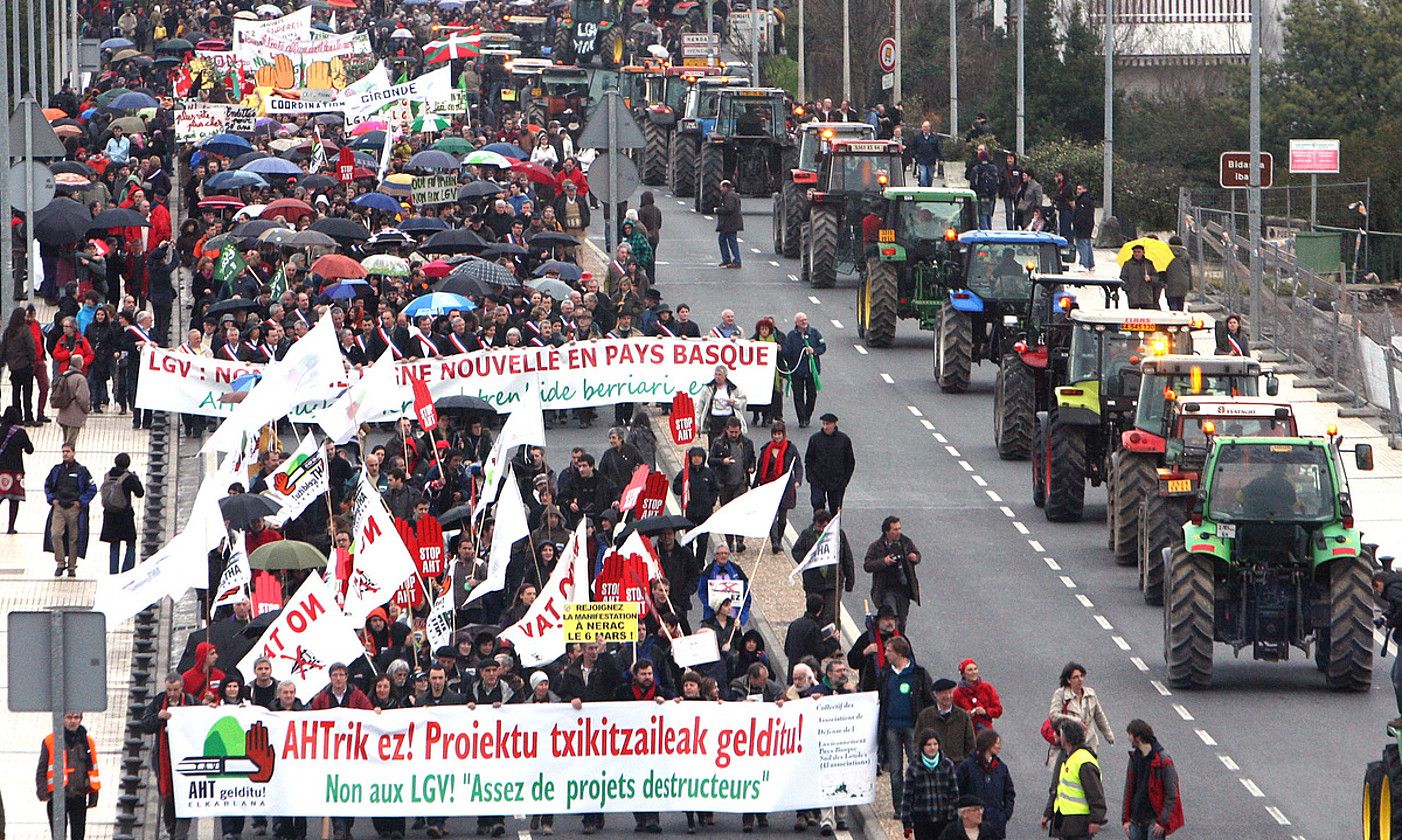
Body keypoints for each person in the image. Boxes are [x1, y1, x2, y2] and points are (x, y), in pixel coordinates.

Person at [878, 636, 933, 814]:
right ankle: (899, 807)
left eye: (889, 650)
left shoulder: (918, 674)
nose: (885, 654)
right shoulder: (886, 674)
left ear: (899, 653)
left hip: (913, 727)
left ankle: (917, 803)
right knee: (895, 770)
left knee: (916, 766)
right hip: (891, 727)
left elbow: (928, 700)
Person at [142, 671, 197, 840]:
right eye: (169, 690)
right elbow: (145, 724)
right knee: (168, 797)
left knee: (184, 795)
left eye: (175, 690)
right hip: (164, 758)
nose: (172, 694)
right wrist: (158, 718)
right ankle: (172, 828)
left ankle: (181, 833)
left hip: (186, 758)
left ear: (181, 688)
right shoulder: (159, 701)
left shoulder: (191, 701)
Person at [36, 711, 100, 840]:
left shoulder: (88, 742)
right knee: (58, 836)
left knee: (78, 835)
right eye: (69, 717)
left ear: (81, 719)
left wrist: (94, 794)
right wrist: (43, 791)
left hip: (78, 795)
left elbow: (92, 768)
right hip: (57, 797)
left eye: (76, 717)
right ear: (63, 719)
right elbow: (42, 769)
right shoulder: (50, 740)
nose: (73, 721)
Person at [1041, 720, 1108, 840]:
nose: (1057, 737)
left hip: (1079, 824)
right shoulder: (1067, 756)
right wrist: (1049, 812)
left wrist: (1095, 820)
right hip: (1067, 822)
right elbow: (1057, 787)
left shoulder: (1083, 761)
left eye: (1060, 734)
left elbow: (1096, 794)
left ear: (1067, 738)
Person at [790, 508, 855, 627]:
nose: (821, 530)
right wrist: (808, 562)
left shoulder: (838, 535)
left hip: (833, 582)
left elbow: (847, 558)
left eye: (824, 527)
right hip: (813, 582)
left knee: (832, 613)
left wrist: (850, 581)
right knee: (815, 613)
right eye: (819, 527)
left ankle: (832, 641)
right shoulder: (807, 534)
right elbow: (796, 551)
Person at [1121, 719, 1184, 839]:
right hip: (1136, 819)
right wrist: (1125, 819)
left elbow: (1172, 793)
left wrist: (1162, 821)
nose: (1128, 738)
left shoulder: (1163, 760)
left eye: (1129, 734)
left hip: (1154, 821)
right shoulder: (1134, 758)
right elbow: (1128, 789)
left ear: (1138, 737)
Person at [44, 442, 96, 578]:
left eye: (67, 451)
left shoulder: (81, 471)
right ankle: (60, 562)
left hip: (74, 508)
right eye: (63, 452)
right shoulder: (56, 470)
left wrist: (81, 502)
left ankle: (72, 566)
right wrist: (51, 499)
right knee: (55, 534)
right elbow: (48, 485)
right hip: (59, 507)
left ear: (74, 452)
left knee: (74, 538)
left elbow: (92, 488)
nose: (65, 454)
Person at [1047, 662, 1115, 764]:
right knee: (1069, 774)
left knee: (1088, 773)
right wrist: (1075, 721)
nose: (1080, 679)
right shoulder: (1060, 694)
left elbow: (1099, 715)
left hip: (1088, 743)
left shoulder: (1090, 694)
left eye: (1081, 676)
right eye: (1075, 677)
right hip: (1069, 744)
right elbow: (1053, 715)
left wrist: (1108, 735)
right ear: (1068, 680)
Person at [864, 516, 922, 630]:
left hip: (903, 589)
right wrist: (883, 562)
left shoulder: (906, 542)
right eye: (895, 530)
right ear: (887, 531)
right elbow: (867, 565)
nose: (898, 532)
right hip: (886, 589)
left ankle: (899, 642)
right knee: (891, 617)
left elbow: (917, 555)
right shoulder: (877, 546)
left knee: (902, 621)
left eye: (899, 528)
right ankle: (889, 642)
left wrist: (915, 558)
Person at [955, 730, 1015, 839]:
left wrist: (1005, 815)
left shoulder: (1001, 767)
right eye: (996, 743)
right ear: (988, 744)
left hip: (996, 827)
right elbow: (957, 793)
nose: (999, 746)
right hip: (972, 827)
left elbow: (1009, 793)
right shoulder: (967, 766)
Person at [900, 729, 959, 839]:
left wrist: (952, 816)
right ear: (922, 746)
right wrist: (907, 824)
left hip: (944, 820)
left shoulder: (947, 765)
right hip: (922, 821)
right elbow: (907, 797)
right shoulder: (914, 768)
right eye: (928, 744)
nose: (932, 748)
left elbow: (954, 794)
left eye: (935, 744)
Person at [708, 418, 755, 552]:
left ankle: (739, 540)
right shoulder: (718, 443)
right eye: (731, 432)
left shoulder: (747, 443)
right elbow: (711, 460)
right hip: (725, 484)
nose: (734, 434)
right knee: (727, 512)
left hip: (741, 482)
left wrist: (751, 467)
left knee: (740, 511)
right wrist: (722, 461)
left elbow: (752, 457)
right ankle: (729, 540)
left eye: (736, 432)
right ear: (727, 430)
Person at [755, 420, 802, 553]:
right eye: (775, 434)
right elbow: (760, 468)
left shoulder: (791, 449)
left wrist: (797, 480)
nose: (777, 436)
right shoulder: (766, 449)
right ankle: (775, 541)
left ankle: (779, 538)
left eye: (779, 434)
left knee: (782, 516)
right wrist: (755, 486)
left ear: (784, 434)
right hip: (769, 486)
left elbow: (798, 465)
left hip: (785, 487)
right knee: (771, 515)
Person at [99, 452, 145, 574]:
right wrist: (136, 479)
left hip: (109, 515)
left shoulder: (107, 476)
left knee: (114, 545)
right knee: (130, 543)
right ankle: (127, 571)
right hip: (125, 515)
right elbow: (140, 493)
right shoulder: (128, 477)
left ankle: (113, 573)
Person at [914, 678, 977, 766]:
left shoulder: (962, 716)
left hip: (957, 765)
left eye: (950, 692)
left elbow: (970, 744)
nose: (948, 696)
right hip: (932, 766)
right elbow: (917, 741)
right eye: (944, 693)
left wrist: (966, 764)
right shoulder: (925, 716)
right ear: (935, 694)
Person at [805, 412, 855, 512]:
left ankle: (834, 527)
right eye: (824, 424)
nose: (825, 427)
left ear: (834, 424)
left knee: (835, 509)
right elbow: (809, 459)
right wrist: (810, 477)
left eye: (828, 424)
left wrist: (844, 481)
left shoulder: (843, 440)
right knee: (817, 503)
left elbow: (850, 461)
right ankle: (818, 526)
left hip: (836, 482)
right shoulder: (815, 439)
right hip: (818, 480)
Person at [783, 313, 826, 427]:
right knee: (798, 395)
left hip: (811, 370)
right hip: (797, 371)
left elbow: (823, 347)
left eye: (805, 320)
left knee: (812, 395)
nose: (804, 322)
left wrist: (814, 351)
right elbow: (786, 352)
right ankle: (801, 419)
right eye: (801, 320)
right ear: (796, 322)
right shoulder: (791, 336)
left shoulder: (814, 333)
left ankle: (807, 415)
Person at [784, 593, 840, 678]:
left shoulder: (794, 624)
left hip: (793, 672)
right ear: (821, 609)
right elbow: (819, 652)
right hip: (808, 674)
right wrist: (833, 641)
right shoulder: (813, 627)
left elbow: (787, 649)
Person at [0, 406, 34, 533]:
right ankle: (10, 527)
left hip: (1, 469)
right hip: (15, 470)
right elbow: (30, 450)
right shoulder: (20, 432)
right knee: (14, 500)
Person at [1373, 568, 1402, 715]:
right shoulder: (1397, 585)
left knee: (1398, 677)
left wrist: (1390, 623)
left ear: (1379, 583)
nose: (1379, 594)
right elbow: (1396, 607)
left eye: (1376, 589)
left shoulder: (1391, 589)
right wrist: (1385, 617)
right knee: (1395, 676)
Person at [2, 309, 37, 424]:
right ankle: (28, 417)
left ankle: (17, 417)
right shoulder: (25, 330)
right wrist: (32, 362)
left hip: (13, 367)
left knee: (15, 392)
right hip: (25, 365)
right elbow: (31, 347)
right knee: (27, 393)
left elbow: (3, 348)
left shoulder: (8, 331)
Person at [696, 365, 748, 439]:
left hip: (728, 419)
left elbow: (743, 400)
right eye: (716, 374)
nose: (717, 377)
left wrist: (734, 402)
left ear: (725, 376)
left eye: (720, 375)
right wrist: (698, 423)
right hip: (713, 420)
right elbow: (700, 405)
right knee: (713, 442)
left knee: (728, 442)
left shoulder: (733, 388)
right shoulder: (708, 388)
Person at [50, 354, 92, 446]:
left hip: (63, 413)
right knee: (71, 442)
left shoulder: (64, 375)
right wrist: (86, 409)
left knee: (66, 440)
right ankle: (68, 457)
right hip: (75, 415)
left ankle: (65, 455)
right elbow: (83, 398)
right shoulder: (80, 379)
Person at [952, 659, 1003, 733]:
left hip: (986, 733)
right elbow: (953, 715)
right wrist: (966, 715)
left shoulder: (987, 687)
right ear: (963, 674)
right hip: (967, 733)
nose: (973, 672)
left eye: (975, 669)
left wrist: (985, 712)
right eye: (970, 670)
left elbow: (998, 709)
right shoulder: (957, 693)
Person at [1120, 244, 1161, 309]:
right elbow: (1123, 278)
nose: (1136, 254)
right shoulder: (1127, 264)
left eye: (1138, 252)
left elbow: (1156, 277)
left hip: (1146, 297)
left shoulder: (1148, 263)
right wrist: (1128, 290)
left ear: (1143, 253)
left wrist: (1150, 278)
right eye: (1135, 252)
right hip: (1133, 297)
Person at [716, 179, 743, 268]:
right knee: (723, 240)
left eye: (721, 187)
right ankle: (727, 260)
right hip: (729, 224)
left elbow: (729, 209)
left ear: (725, 187)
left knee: (730, 242)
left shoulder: (729, 196)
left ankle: (736, 260)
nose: (720, 189)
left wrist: (717, 210)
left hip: (730, 224)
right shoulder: (730, 195)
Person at [910, 121, 943, 187]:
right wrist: (914, 155)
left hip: (931, 161)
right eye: (924, 127)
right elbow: (913, 147)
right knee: (923, 176)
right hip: (921, 160)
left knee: (930, 177)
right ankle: (923, 189)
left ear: (929, 128)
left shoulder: (934, 138)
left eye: (926, 127)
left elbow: (938, 148)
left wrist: (941, 158)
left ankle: (928, 188)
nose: (925, 128)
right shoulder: (917, 137)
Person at [1163, 236, 1192, 310]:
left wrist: (1162, 281)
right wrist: (1190, 285)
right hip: (1183, 282)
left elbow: (1163, 269)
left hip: (1170, 282)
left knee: (1172, 303)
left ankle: (1174, 317)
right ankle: (1180, 318)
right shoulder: (1186, 254)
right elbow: (1189, 270)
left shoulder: (1166, 253)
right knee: (1180, 303)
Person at [1072, 185, 1096, 271]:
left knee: (1082, 244)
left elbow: (1082, 214)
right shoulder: (1086, 199)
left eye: (1080, 189)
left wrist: (1077, 223)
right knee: (1087, 244)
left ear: (1085, 189)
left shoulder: (1083, 200)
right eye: (1077, 189)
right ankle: (1090, 264)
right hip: (1088, 225)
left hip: (1083, 225)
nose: (1078, 190)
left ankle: (1084, 264)